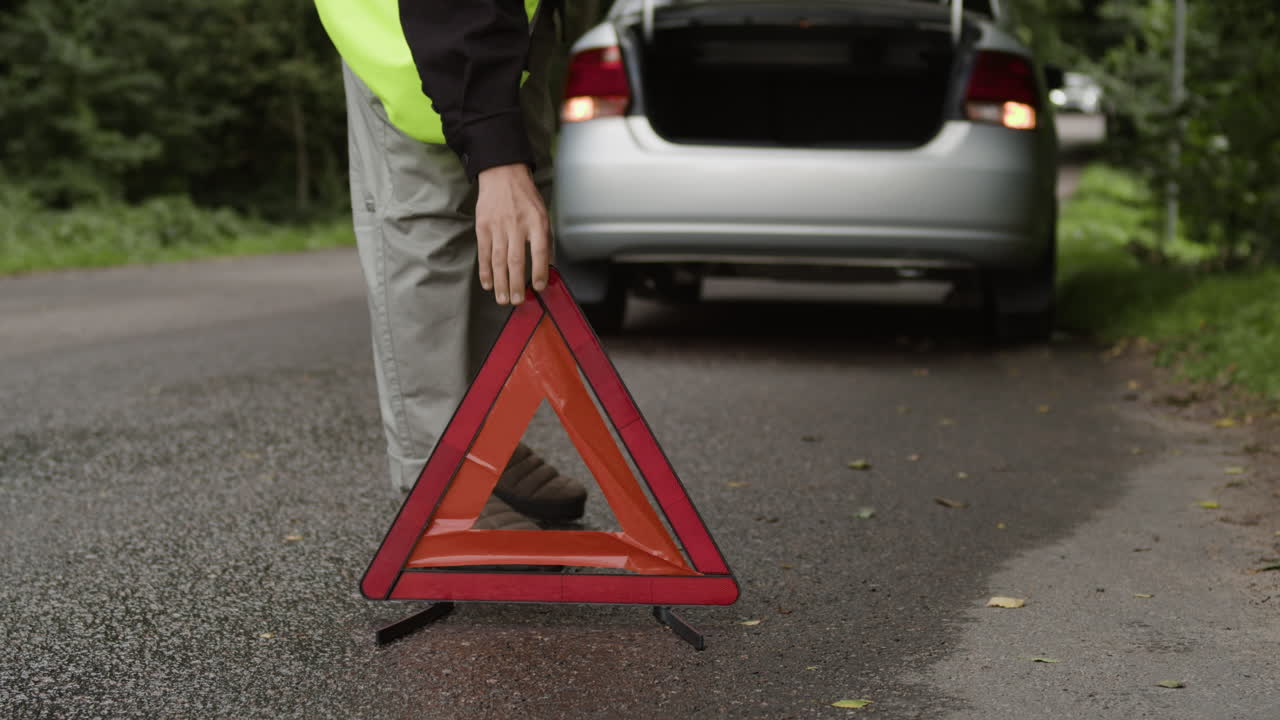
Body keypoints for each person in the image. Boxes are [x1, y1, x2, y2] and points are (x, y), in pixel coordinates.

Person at [314, 0, 587, 529]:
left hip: (506, 18)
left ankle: (481, 439)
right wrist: (494, 150)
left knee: (511, 219)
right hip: (421, 26)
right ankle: (439, 478)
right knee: (435, 222)